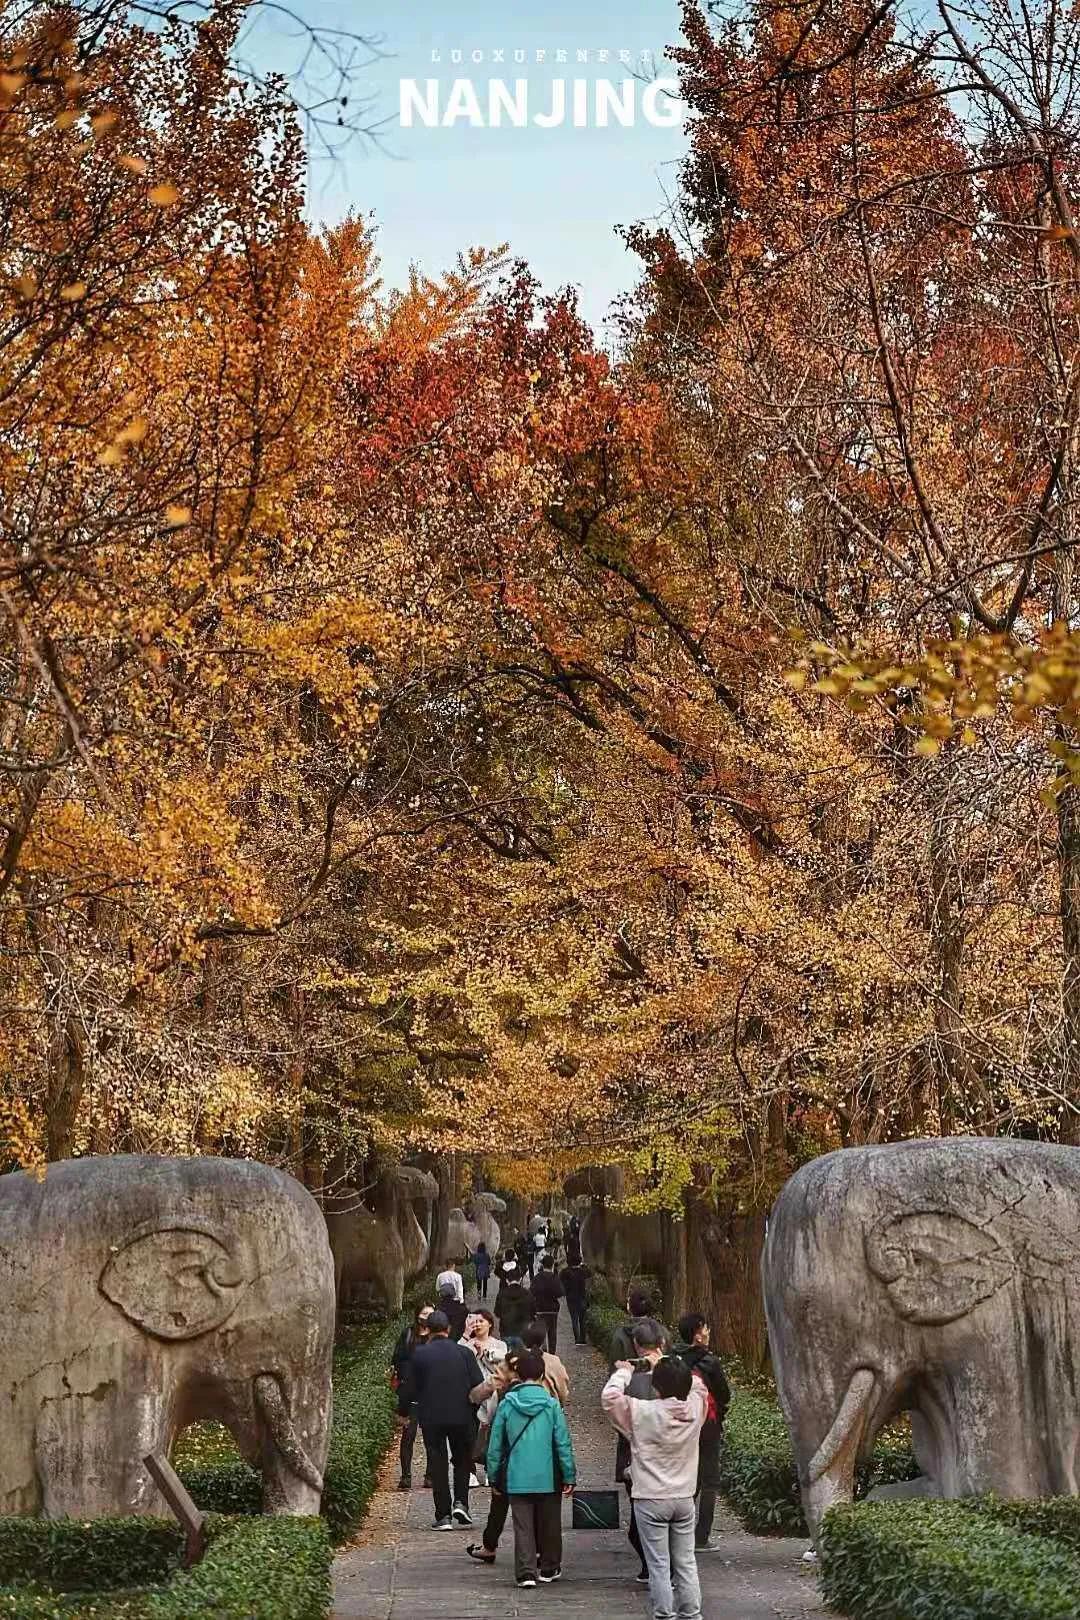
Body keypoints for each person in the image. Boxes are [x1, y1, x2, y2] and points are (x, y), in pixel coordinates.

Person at [601, 1353, 707, 1620]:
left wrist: (625, 1371)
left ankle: (663, 1614)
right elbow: (699, 1385)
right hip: (684, 1496)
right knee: (686, 1562)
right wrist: (670, 1359)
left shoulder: (641, 1411)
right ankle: (692, 1615)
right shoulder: (696, 1408)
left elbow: (610, 1398)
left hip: (650, 1497)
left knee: (659, 1565)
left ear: (656, 1387)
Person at [486, 1349, 576, 1589]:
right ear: (542, 1373)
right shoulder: (551, 1404)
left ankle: (526, 1572)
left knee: (522, 1525)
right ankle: (549, 1567)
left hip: (516, 1476)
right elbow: (562, 1442)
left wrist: (493, 1476)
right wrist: (569, 1474)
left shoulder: (507, 1404)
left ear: (517, 1372)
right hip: (547, 1475)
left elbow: (495, 1445)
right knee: (550, 1522)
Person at [410, 1309, 484, 1530]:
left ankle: (443, 1516)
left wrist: (405, 1411)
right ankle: (461, 1503)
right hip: (463, 1416)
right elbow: (478, 1386)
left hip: (432, 1417)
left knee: (438, 1463)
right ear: (449, 1329)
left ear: (427, 1330)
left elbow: (412, 1388)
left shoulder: (420, 1354)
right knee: (462, 1459)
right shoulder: (465, 1353)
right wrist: (474, 1410)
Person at [671, 1312, 731, 1551]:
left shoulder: (674, 1358)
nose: (708, 1332)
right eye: (705, 1328)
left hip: (682, 1422)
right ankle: (701, 1537)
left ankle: (679, 1531)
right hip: (707, 1424)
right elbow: (724, 1394)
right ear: (697, 1334)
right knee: (710, 1481)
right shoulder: (710, 1362)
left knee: (687, 1477)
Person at [613, 1320, 664, 1584]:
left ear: (635, 1345)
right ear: (663, 1344)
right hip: (672, 1462)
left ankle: (652, 1568)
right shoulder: (678, 1374)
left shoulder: (629, 1380)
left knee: (639, 1519)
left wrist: (622, 1373)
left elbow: (611, 1403)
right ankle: (660, 1569)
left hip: (636, 1458)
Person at [392, 1302, 434, 1491]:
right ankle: (406, 1476)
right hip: (410, 1392)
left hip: (430, 1392)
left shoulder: (437, 1336)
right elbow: (397, 1357)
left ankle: (430, 1475)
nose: (427, 1317)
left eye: (431, 1314)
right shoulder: (408, 1333)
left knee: (431, 1437)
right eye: (424, 1313)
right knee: (408, 1435)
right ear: (418, 1315)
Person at [609, 1289, 672, 1369]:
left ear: (630, 1308)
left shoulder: (620, 1335)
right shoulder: (663, 1331)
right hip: (660, 1379)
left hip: (629, 1378)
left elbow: (614, 1367)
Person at [521, 1320, 571, 1408]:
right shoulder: (553, 1360)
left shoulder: (512, 1359)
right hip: (547, 1409)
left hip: (518, 1409)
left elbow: (498, 1385)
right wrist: (561, 1403)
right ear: (542, 1339)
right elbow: (562, 1387)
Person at [528, 1255, 564, 1353]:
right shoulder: (555, 1278)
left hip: (540, 1309)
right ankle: (552, 1353)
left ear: (542, 1265)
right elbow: (560, 1292)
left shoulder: (537, 1278)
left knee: (541, 1331)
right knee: (552, 1332)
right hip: (553, 1310)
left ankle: (543, 1349)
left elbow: (531, 1292)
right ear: (552, 1265)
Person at [494, 1268, 532, 1348]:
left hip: (506, 1331)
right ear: (520, 1279)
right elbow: (532, 1311)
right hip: (522, 1331)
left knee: (506, 1357)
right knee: (521, 1358)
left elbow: (497, 1312)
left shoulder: (501, 1294)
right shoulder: (527, 1293)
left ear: (507, 1280)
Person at [560, 1254, 591, 1344]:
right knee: (582, 1319)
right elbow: (589, 1273)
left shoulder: (565, 1272)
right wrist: (584, 1265)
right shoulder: (582, 1271)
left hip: (571, 1298)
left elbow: (560, 1277)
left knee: (574, 1319)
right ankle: (583, 1339)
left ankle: (577, 1339)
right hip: (582, 1297)